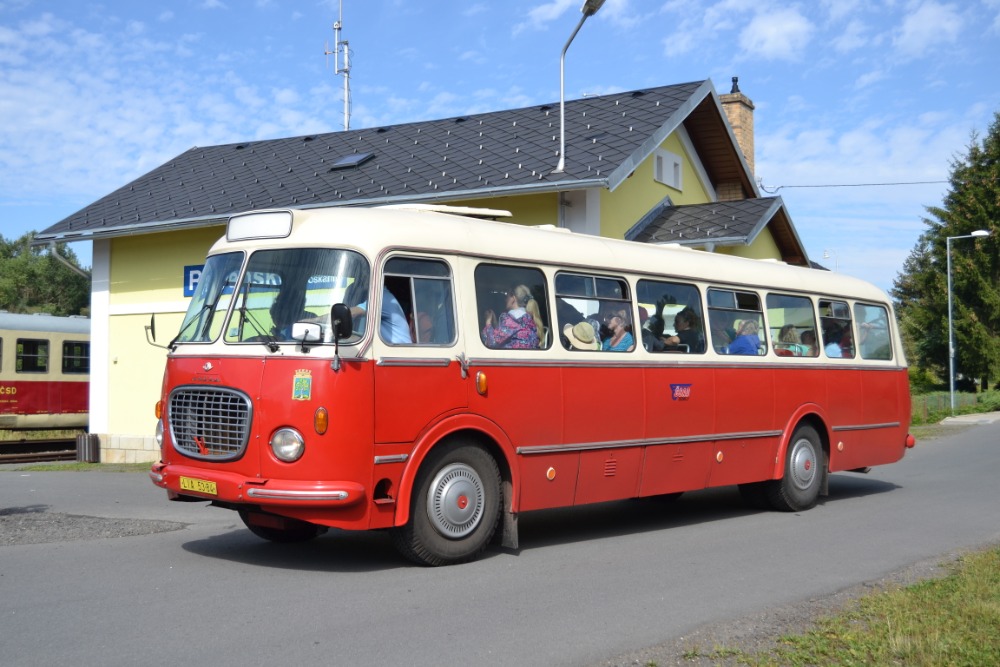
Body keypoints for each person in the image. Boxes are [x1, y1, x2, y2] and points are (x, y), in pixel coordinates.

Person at [482, 285, 541, 349]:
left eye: (507, 295)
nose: (505, 299)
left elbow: (491, 343)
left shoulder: (511, 319)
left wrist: (488, 321)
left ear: (513, 298)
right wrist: (494, 322)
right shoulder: (529, 319)